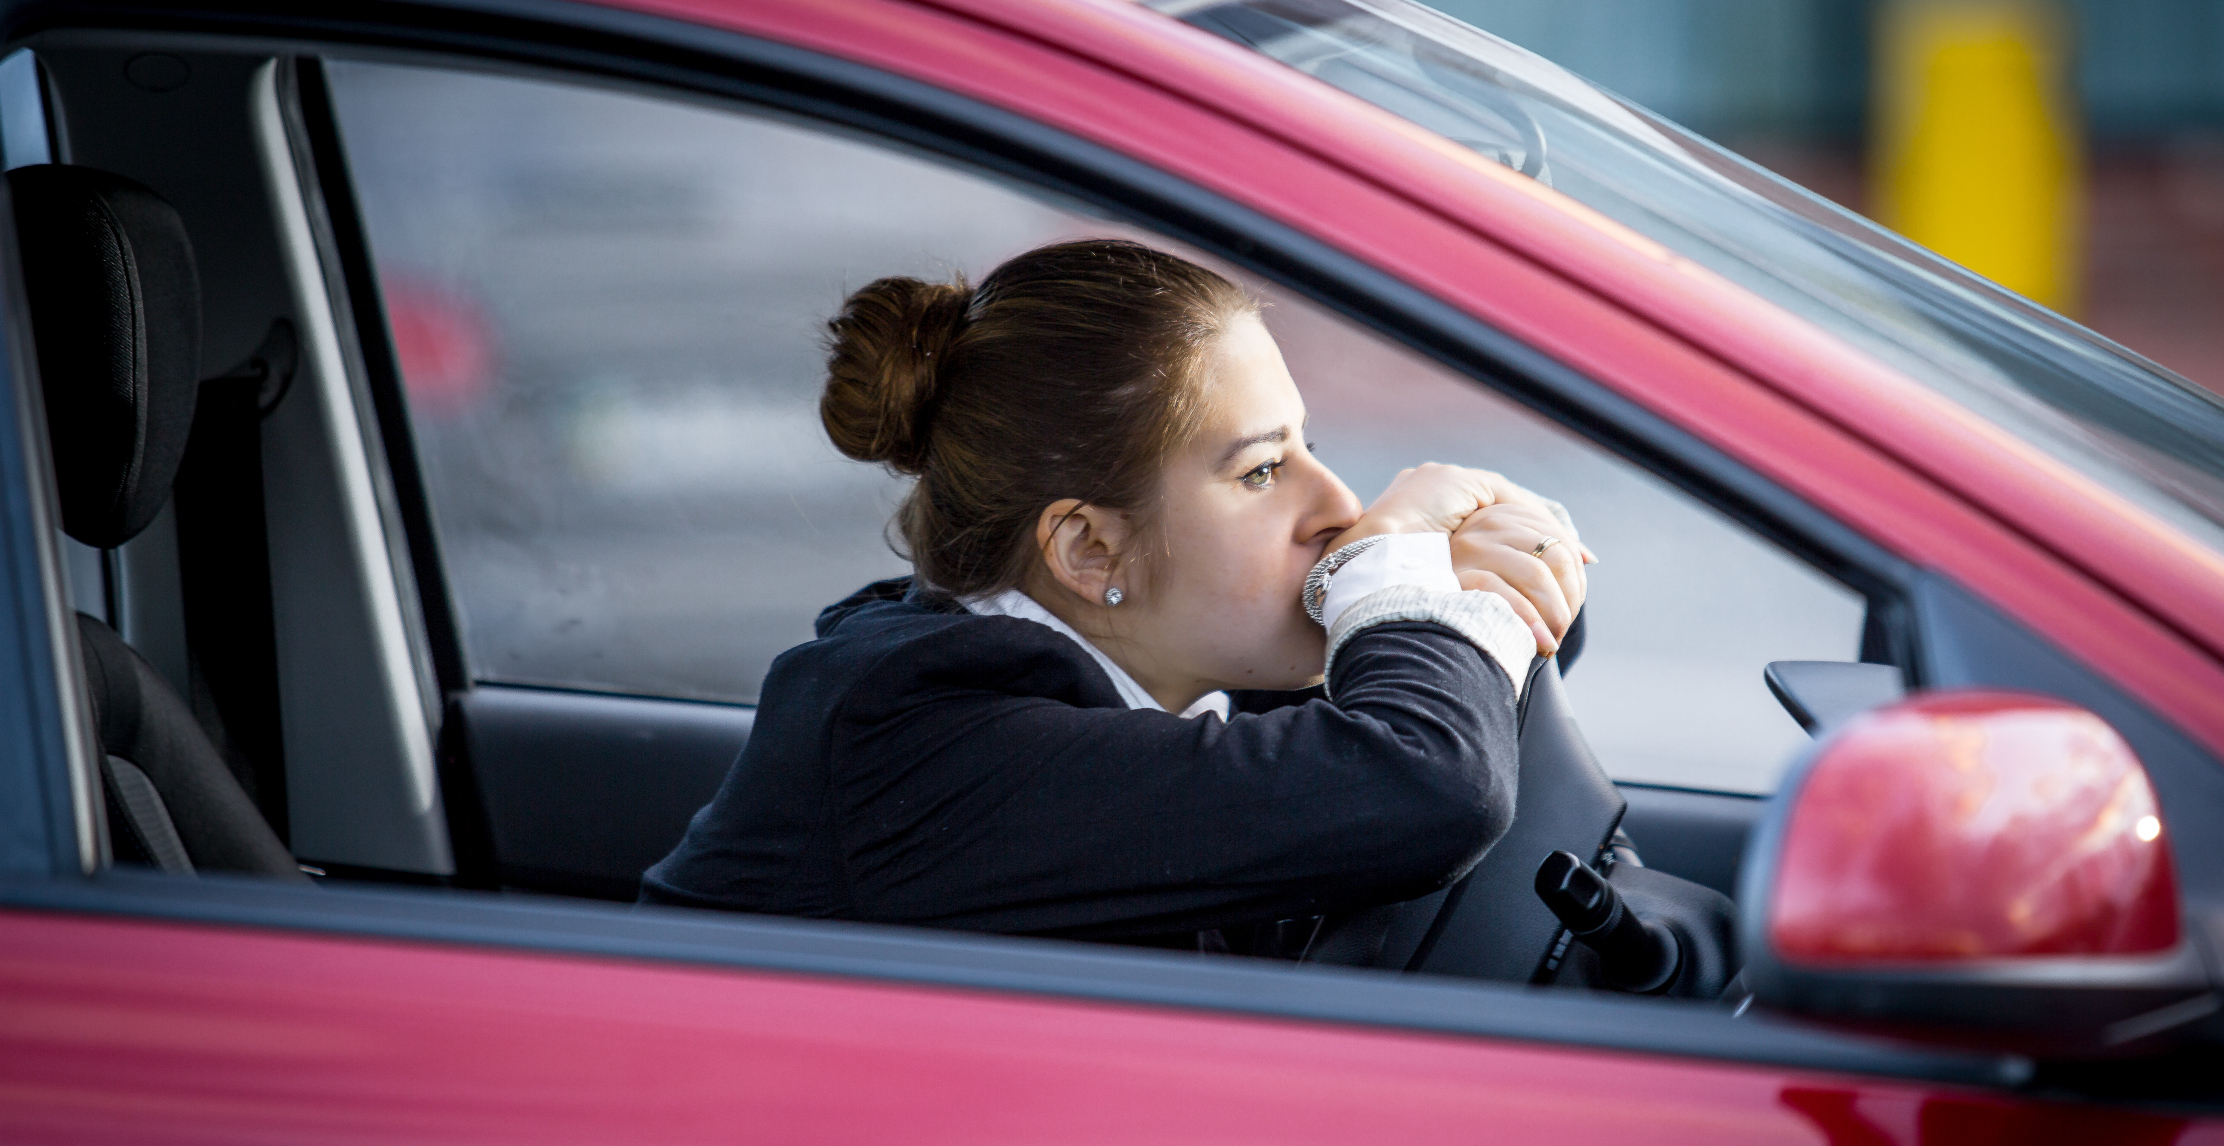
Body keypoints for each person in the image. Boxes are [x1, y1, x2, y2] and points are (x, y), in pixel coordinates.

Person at [639, 239, 1589, 948]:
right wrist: (1400, 577)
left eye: (1308, 446)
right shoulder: (926, 735)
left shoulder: (1158, 661)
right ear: (1091, 552)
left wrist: (1478, 574)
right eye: (1261, 473)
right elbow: (1433, 784)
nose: (1339, 505)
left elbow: (1442, 708)